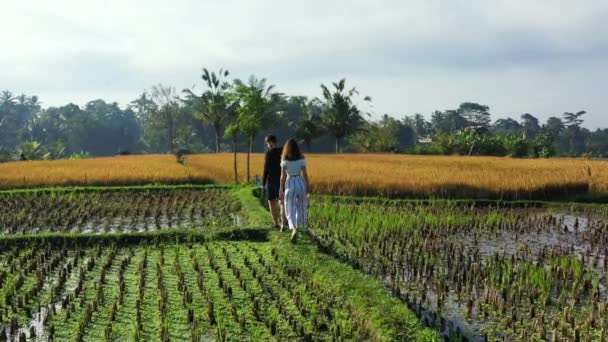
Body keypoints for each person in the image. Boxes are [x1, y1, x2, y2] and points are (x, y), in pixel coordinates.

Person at [279, 139, 310, 242]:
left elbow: (282, 177)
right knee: (301, 207)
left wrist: (281, 190)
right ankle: (299, 225)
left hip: (290, 182)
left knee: (289, 207)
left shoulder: (285, 160)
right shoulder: (301, 158)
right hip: (300, 182)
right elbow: (305, 174)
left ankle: (293, 228)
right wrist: (308, 187)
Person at [262, 135, 287, 230]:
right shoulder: (283, 151)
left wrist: (263, 184)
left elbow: (265, 169)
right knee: (282, 202)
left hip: (272, 180)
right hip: (283, 179)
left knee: (272, 202)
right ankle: (283, 224)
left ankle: (276, 223)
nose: (268, 145)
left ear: (271, 142)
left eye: (268, 143)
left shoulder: (268, 153)